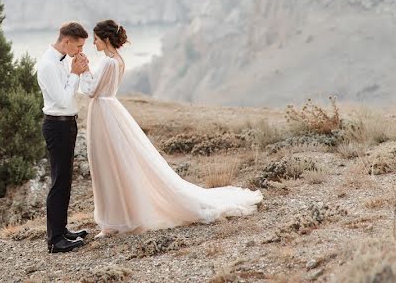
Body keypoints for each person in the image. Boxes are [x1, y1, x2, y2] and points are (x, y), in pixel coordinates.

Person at [80, 19, 263, 238]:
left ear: (107, 39)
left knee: (110, 165)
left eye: (97, 39)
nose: (94, 43)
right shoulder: (118, 60)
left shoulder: (107, 62)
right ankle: (118, 219)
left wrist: (83, 71)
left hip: (104, 113)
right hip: (110, 111)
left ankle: (116, 221)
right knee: (117, 164)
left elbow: (91, 90)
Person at [36, 22, 92, 253]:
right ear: (66, 41)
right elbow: (62, 100)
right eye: (78, 46)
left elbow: (70, 94)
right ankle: (55, 240)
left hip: (66, 124)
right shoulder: (49, 64)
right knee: (59, 182)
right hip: (56, 126)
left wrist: (76, 72)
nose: (80, 51)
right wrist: (75, 73)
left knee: (65, 180)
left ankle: (61, 229)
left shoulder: (61, 60)